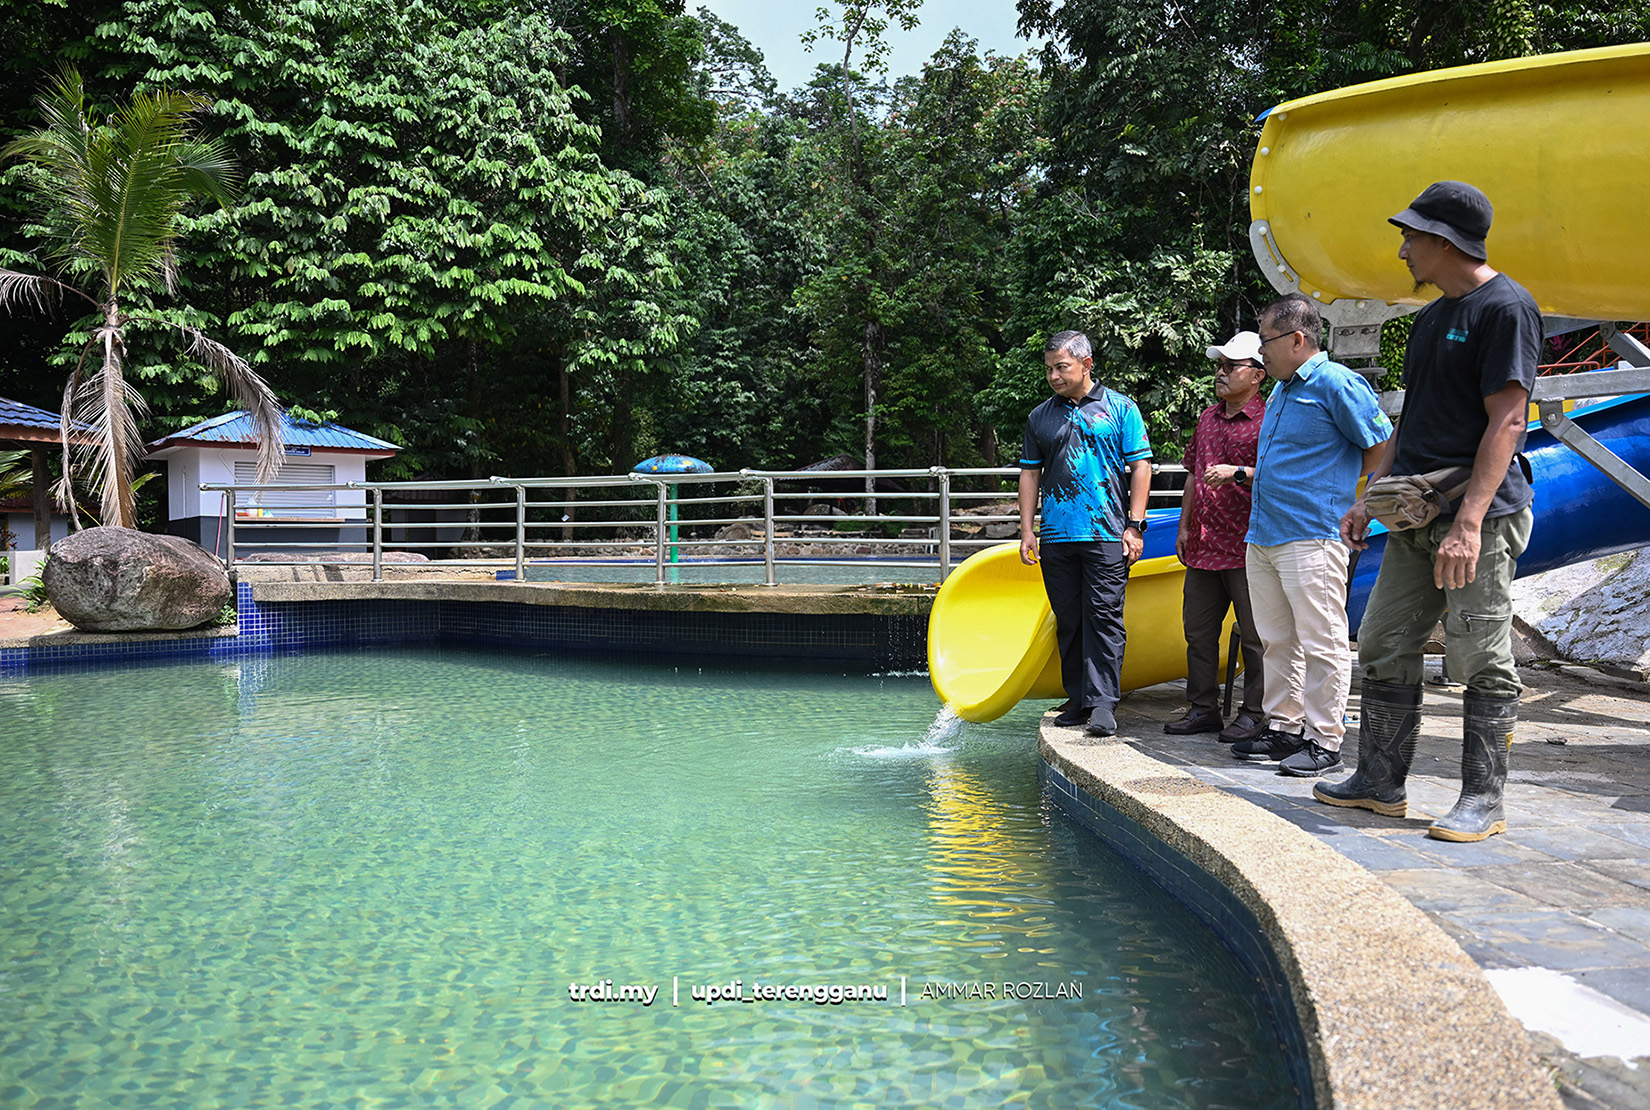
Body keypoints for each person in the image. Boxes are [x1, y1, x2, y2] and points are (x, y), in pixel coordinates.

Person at [1318, 181, 1540, 842]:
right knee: (1384, 642)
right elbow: (1411, 423)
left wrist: (1470, 523)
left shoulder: (1506, 308)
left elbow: (1508, 422)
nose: (1403, 249)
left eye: (1411, 237)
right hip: (1415, 518)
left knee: (1480, 654)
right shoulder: (1429, 319)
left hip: (1480, 518)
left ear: (1444, 241)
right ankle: (1380, 782)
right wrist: (1369, 500)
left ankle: (1483, 800)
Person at [1230, 294, 1392, 775]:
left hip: (1313, 533)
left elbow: (1380, 448)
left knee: (1322, 640)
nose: (1262, 352)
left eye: (1266, 341)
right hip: (1265, 533)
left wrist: (1353, 498)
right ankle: (1284, 727)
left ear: (1297, 339)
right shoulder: (1281, 389)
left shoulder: (1336, 383)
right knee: (1277, 638)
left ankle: (1325, 740)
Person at [1018, 330, 1154, 736]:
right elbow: (1030, 472)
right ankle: (1078, 699)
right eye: (1049, 369)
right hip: (1057, 536)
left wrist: (1135, 524)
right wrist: (1027, 529)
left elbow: (1141, 467)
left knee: (1104, 618)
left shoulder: (1120, 408)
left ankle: (1103, 705)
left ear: (1086, 364)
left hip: (1108, 533)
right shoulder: (1040, 416)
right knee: (1070, 620)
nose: (1054, 376)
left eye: (1062, 367)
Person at [1166, 331, 1269, 742]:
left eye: (1231, 366)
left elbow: (1280, 475)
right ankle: (1203, 708)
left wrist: (1236, 473)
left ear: (1258, 375)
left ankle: (1256, 712)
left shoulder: (1270, 419)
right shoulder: (1208, 417)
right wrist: (1184, 524)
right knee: (1198, 631)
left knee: (1256, 636)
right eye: (1219, 366)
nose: (1221, 373)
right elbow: (1193, 471)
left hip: (1248, 546)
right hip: (1205, 545)